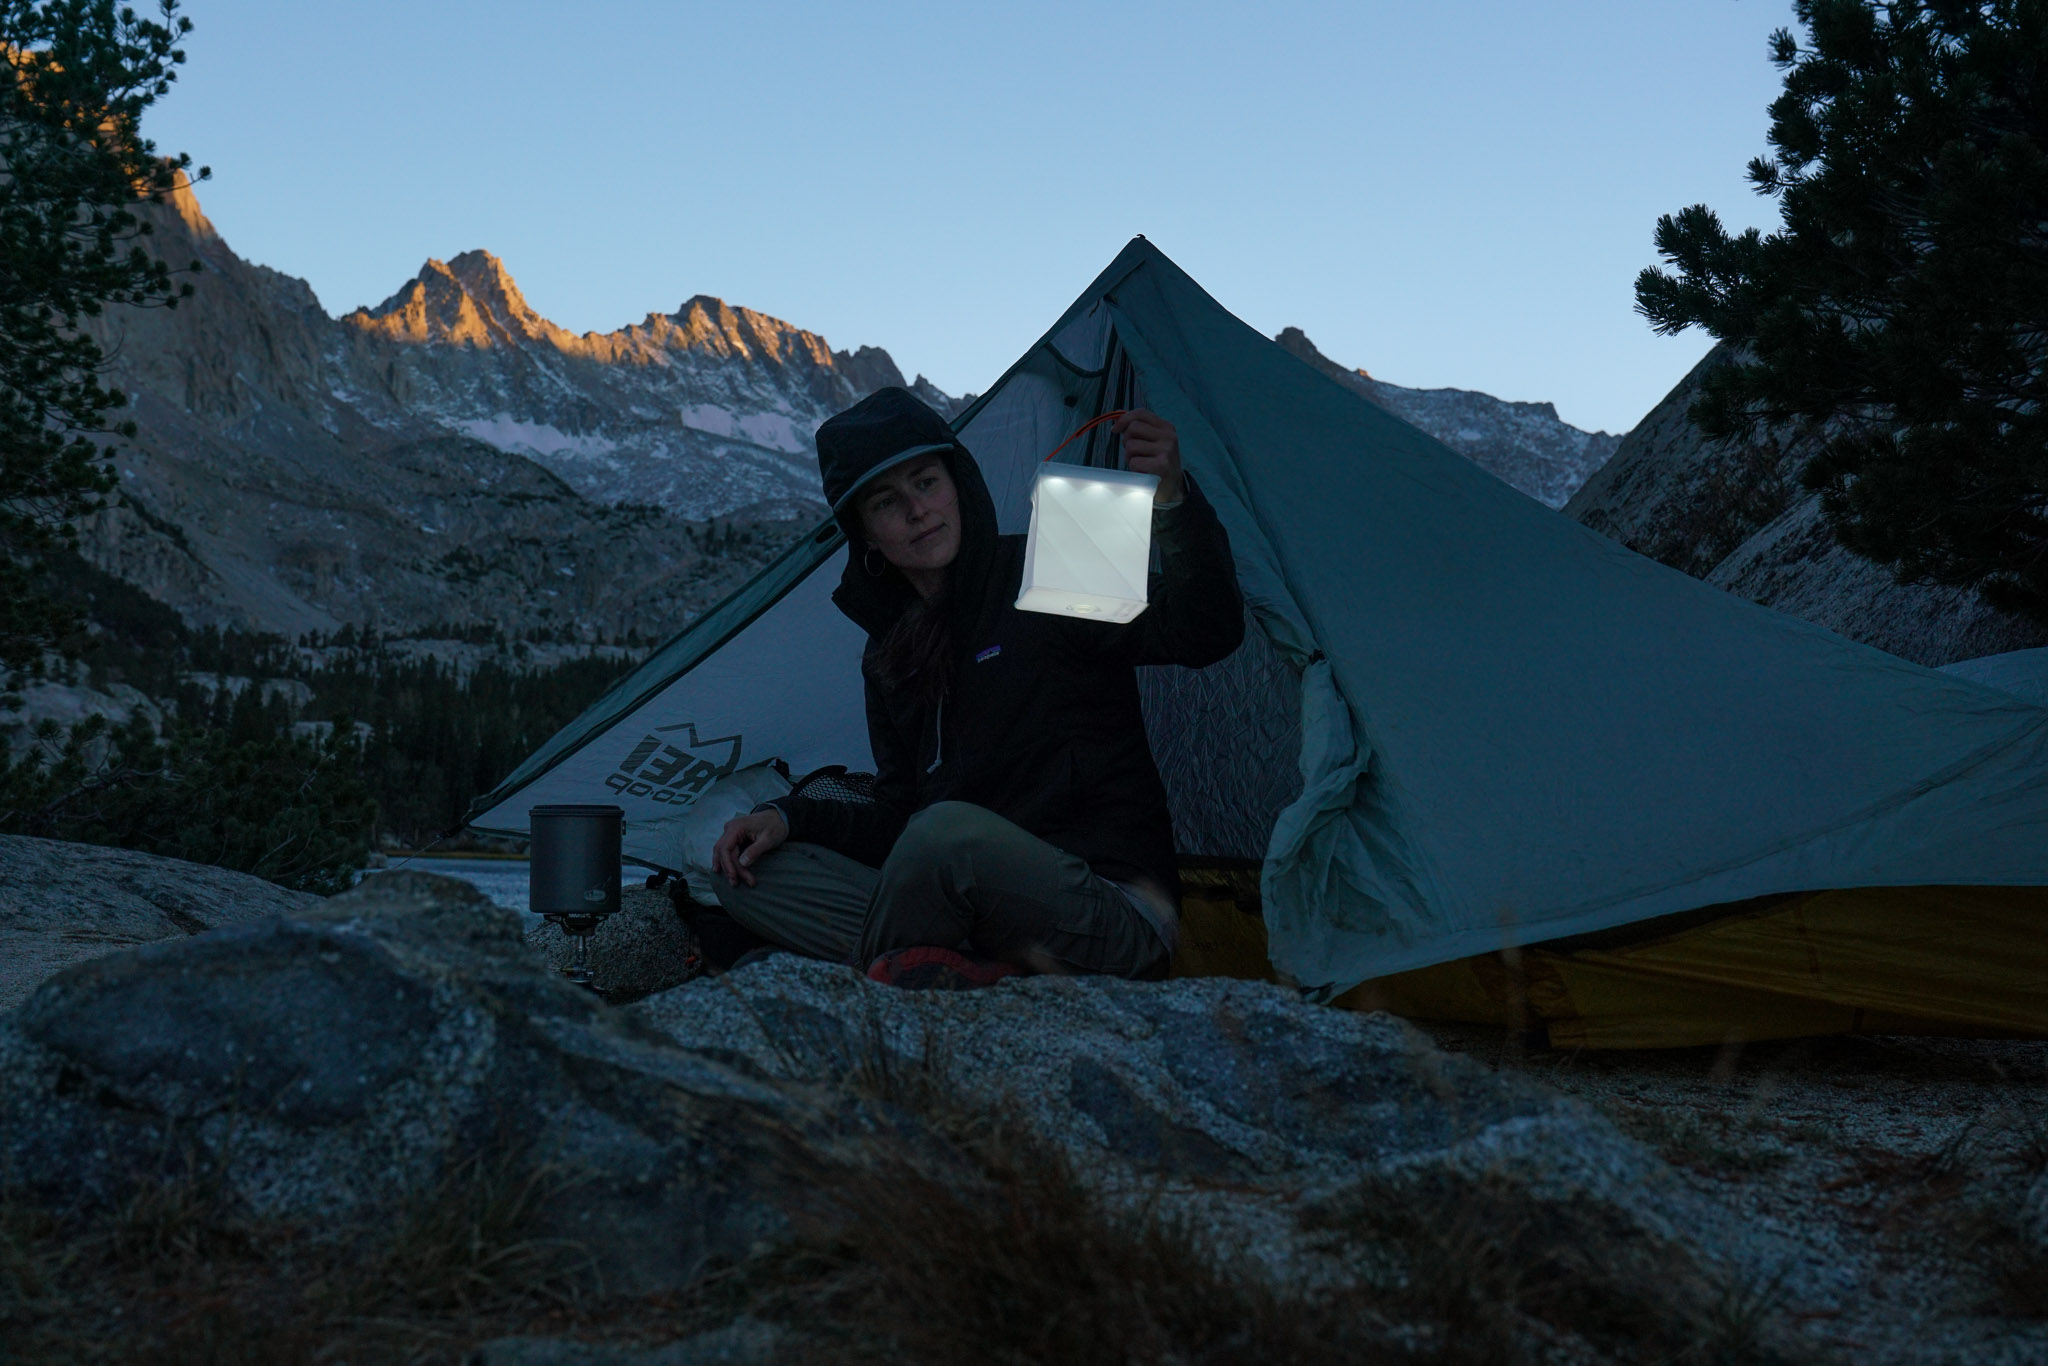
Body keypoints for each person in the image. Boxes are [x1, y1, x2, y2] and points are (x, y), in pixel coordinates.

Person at [708, 385, 1242, 986]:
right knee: (752, 879)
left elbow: (1206, 633)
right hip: (974, 913)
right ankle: (964, 974)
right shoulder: (888, 655)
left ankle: (880, 998)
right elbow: (898, 813)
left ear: (959, 484)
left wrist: (1171, 498)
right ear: (867, 537)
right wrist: (787, 817)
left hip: (1106, 906)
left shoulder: (1054, 565)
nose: (917, 510)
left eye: (926, 482)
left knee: (946, 836)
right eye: (887, 502)